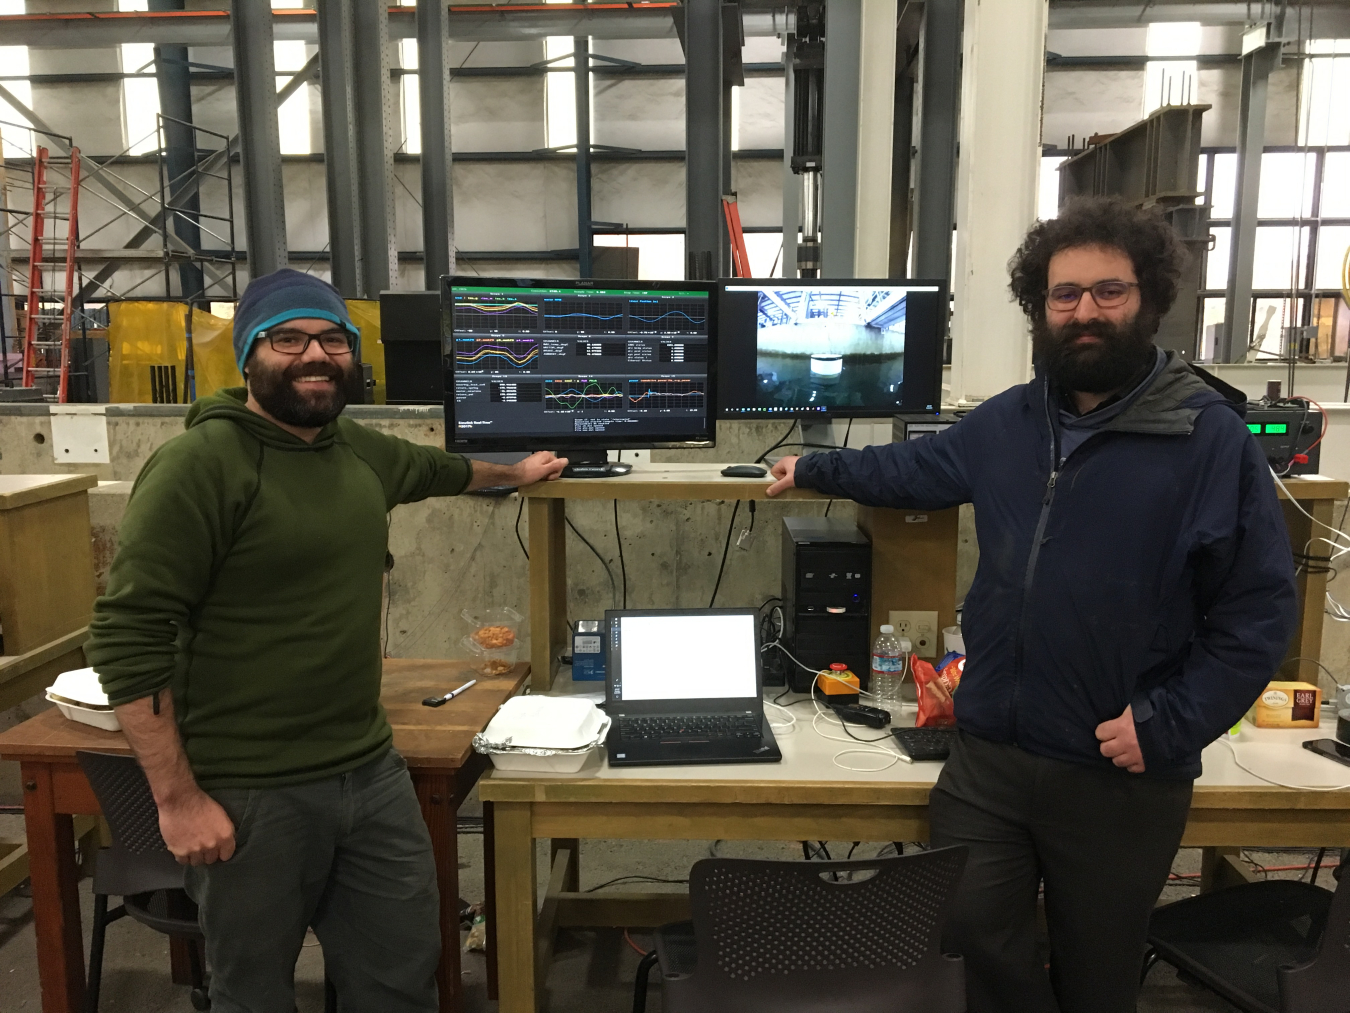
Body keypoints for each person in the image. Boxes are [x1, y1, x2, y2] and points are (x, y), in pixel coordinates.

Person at [767, 197, 1298, 1012]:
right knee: (974, 944)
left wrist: (1169, 722)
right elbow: (916, 472)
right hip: (990, 761)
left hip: (1117, 773)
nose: (1085, 311)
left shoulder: (1207, 438)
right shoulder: (1010, 422)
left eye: (1108, 292)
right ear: (1040, 306)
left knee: (1096, 974)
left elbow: (1259, 612)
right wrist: (813, 470)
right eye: (1065, 294)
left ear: (1148, 298)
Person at [86, 268, 566, 1013]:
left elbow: (442, 469)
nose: (315, 354)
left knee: (403, 975)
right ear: (248, 355)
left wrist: (518, 472)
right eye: (288, 338)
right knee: (256, 993)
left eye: (332, 338)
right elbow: (126, 634)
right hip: (250, 789)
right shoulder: (199, 465)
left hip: (369, 773)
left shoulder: (357, 451)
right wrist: (177, 798)